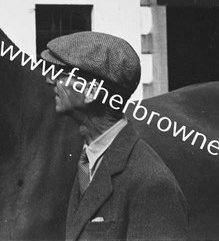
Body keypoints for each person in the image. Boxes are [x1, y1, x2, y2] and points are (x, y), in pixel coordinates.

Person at [42, 31, 188, 241]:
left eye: (62, 73)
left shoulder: (151, 184)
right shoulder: (89, 161)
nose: (49, 80)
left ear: (91, 91)